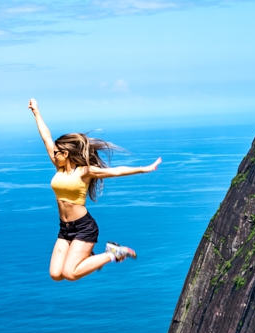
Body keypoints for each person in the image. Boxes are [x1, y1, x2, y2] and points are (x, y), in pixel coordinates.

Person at [28, 98, 161, 281]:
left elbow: (115, 172)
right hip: (65, 228)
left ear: (65, 154)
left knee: (70, 273)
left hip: (84, 227)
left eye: (57, 152)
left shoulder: (85, 172)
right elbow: (46, 137)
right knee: (56, 274)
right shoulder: (59, 168)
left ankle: (113, 253)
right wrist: (36, 112)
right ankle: (90, 255)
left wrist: (144, 168)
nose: (53, 154)